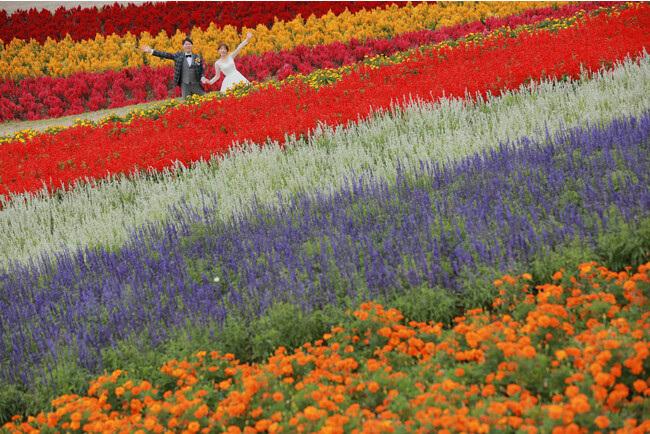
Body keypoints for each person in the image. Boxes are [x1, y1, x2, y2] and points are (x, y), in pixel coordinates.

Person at [140, 37, 206, 100]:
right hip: (185, 84)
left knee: (202, 102)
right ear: (183, 46)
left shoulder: (198, 57)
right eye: (186, 44)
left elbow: (201, 71)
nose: (188, 46)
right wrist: (151, 51)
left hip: (196, 84)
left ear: (192, 46)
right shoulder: (178, 56)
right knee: (187, 104)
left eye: (189, 44)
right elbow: (166, 55)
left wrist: (203, 77)